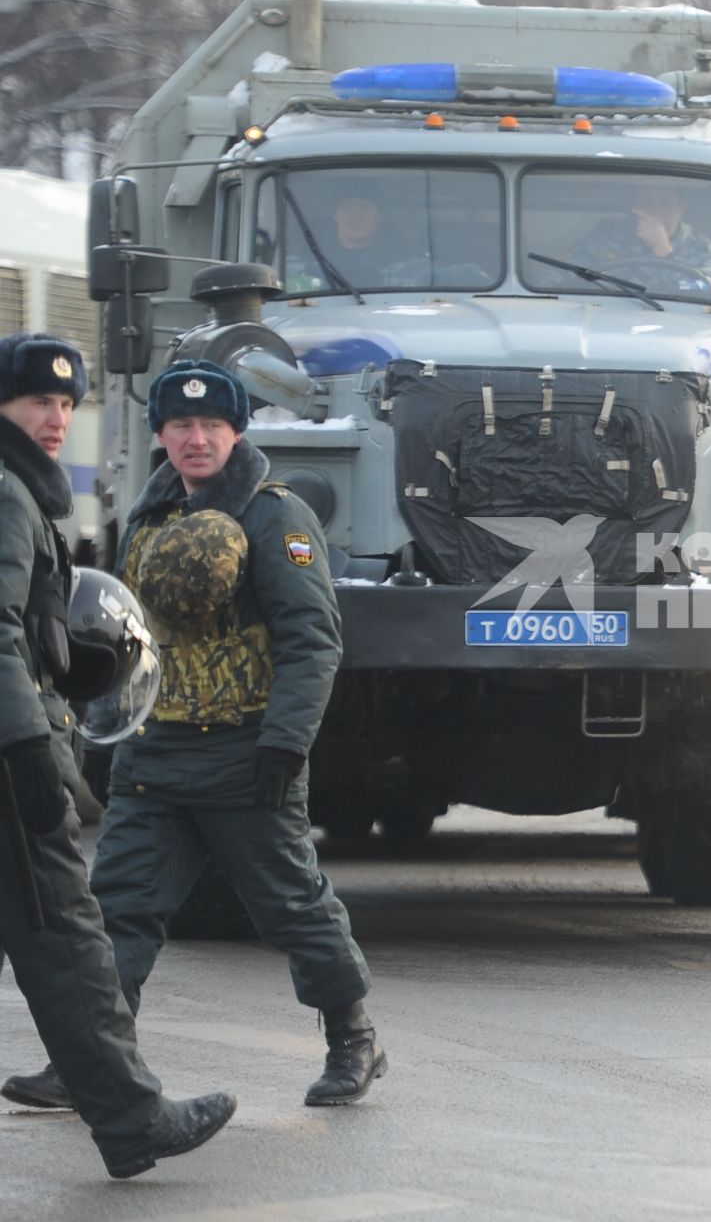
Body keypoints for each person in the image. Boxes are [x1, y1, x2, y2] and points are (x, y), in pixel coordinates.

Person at [5, 360, 384, 1109]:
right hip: (154, 755)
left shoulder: (275, 515)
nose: (197, 439)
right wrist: (100, 734)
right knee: (117, 910)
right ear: (161, 434)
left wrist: (286, 741)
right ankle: (91, 1065)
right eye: (181, 425)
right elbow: (118, 631)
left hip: (245, 754)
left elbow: (313, 638)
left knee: (292, 906)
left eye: (212, 425)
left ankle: (354, 1037)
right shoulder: (149, 516)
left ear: (237, 431)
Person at [0, 332, 235, 1178]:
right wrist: (29, 748)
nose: (56, 419)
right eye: (37, 401)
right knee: (67, 940)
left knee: (62, 940)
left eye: (67, 403)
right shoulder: (6, 492)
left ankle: (132, 1121)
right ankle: (134, 1123)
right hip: (9, 758)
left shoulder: (21, 490)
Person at [574, 182, 711, 291]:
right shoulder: (607, 236)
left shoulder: (705, 250)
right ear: (636, 206)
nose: (656, 211)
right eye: (647, 201)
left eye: (666, 203)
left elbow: (710, 287)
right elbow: (565, 273)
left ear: (682, 208)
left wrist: (663, 250)